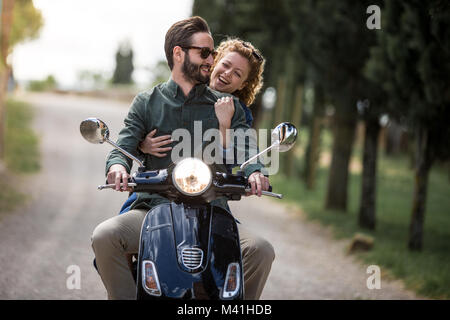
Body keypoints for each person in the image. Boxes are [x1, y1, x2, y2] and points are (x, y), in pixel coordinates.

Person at [91, 16, 273, 300]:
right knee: (105, 236)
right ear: (179, 53)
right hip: (152, 209)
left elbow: (246, 149)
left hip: (213, 213)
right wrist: (117, 166)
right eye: (206, 52)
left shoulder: (230, 107)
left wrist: (255, 172)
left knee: (261, 250)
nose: (212, 60)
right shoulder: (147, 101)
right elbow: (123, 146)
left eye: (213, 53)